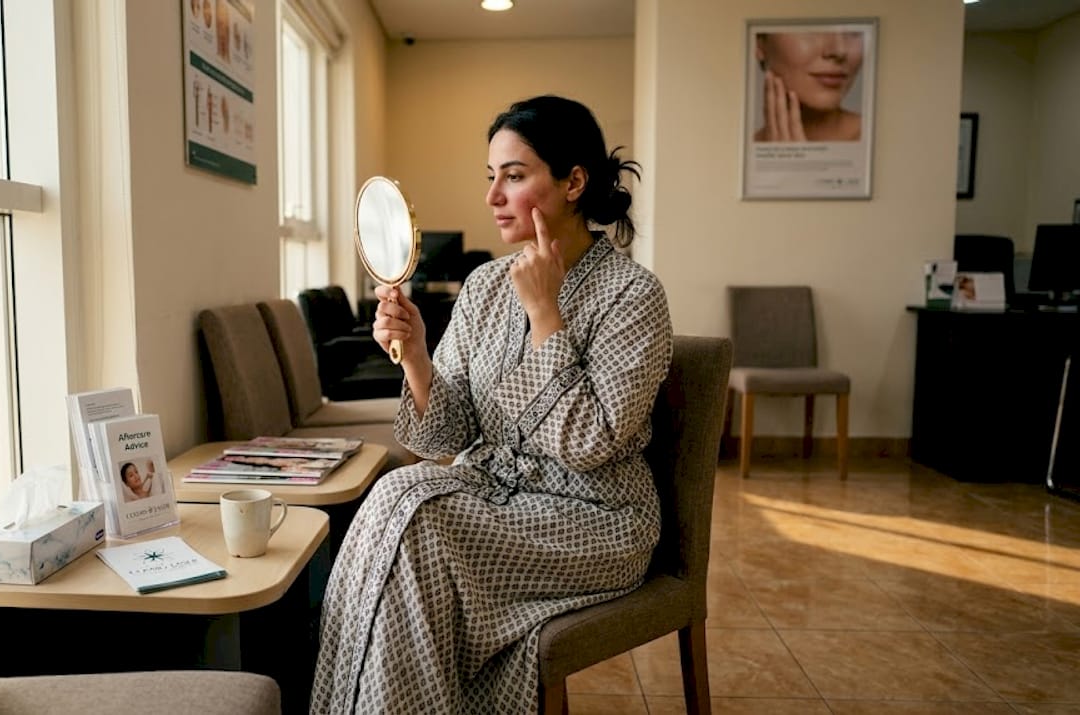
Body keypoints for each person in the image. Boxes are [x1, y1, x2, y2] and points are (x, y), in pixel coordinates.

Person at [311, 95, 673, 714]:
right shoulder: (483, 287)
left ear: (574, 182)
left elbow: (589, 442)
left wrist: (544, 313)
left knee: (422, 522)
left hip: (594, 518)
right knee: (397, 494)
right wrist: (419, 355)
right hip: (491, 500)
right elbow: (445, 437)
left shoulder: (633, 295)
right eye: (491, 177)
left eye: (514, 175)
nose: (492, 196)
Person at [753, 30, 865, 142]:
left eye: (853, 31)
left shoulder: (878, 138)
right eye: (812, 29)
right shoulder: (739, 146)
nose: (839, 51)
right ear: (760, 45)